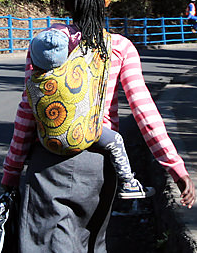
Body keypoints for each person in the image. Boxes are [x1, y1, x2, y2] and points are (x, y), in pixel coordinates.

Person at [1, 0, 196, 253]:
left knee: (54, 249)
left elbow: (26, 112)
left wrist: (11, 169)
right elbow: (145, 113)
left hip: (47, 160)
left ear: (65, 0)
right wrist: (174, 166)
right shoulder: (119, 48)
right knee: (94, 239)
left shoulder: (44, 45)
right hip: (99, 163)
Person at [28, 27, 148, 199]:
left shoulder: (32, 84)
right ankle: (128, 182)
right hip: (79, 137)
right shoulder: (72, 76)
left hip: (48, 142)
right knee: (116, 140)